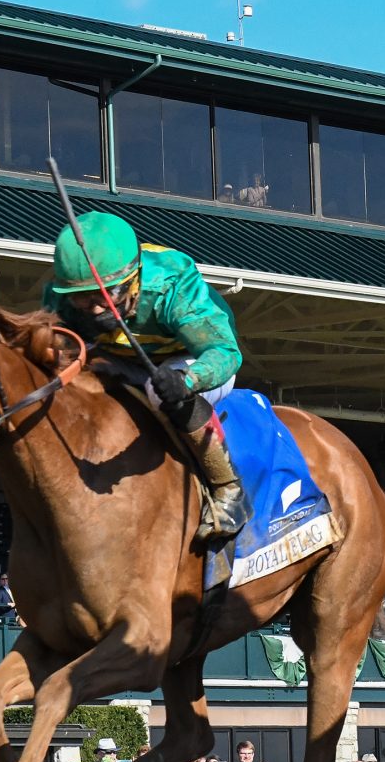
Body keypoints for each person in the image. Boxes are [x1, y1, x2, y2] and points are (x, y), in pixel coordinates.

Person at [42, 211, 250, 543]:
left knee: (160, 389)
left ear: (134, 280)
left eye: (106, 295)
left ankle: (228, 488)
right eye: (83, 298)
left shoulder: (172, 287)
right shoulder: (63, 295)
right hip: (122, 357)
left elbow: (225, 353)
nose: (94, 308)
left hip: (194, 357)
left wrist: (187, 381)